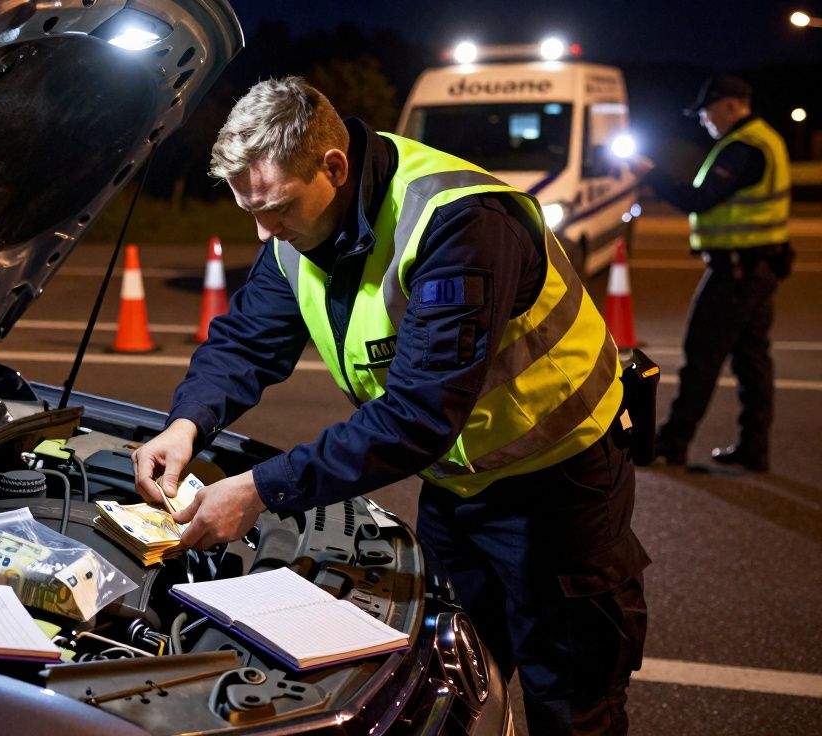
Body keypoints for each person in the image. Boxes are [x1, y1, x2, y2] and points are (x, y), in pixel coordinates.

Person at [131, 77, 649, 735]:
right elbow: (246, 341)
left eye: (276, 207)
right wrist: (186, 424)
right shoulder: (297, 231)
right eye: (248, 210)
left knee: (571, 705)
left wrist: (259, 490)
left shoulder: (460, 224)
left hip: (561, 493)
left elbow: (419, 416)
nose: (264, 232)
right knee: (453, 686)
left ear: (334, 167)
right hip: (456, 486)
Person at [626, 74, 792, 472]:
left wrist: (650, 173)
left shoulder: (743, 148)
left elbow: (697, 199)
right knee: (752, 360)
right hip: (758, 267)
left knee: (702, 355)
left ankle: (673, 443)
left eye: (707, 111)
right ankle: (753, 448)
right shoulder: (764, 139)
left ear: (731, 105)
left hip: (736, 271)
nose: (703, 119)